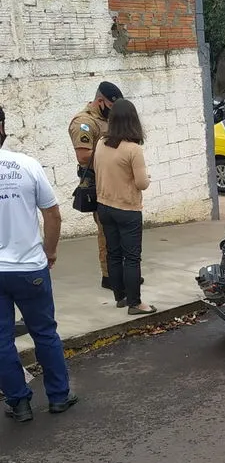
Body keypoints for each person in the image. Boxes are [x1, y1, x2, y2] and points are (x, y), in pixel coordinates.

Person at [0, 106, 78, 422]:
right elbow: (53, 214)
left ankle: (19, 403)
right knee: (44, 332)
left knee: (1, 340)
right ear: (2, 126)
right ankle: (59, 397)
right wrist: (50, 252)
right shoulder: (27, 165)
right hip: (29, 267)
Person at [68, 82, 143, 291]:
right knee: (106, 232)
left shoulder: (107, 118)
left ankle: (124, 274)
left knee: (121, 233)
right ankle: (109, 276)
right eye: (109, 105)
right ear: (100, 101)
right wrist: (112, 157)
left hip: (118, 181)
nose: (112, 110)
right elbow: (83, 156)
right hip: (99, 183)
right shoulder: (84, 123)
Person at [94, 99, 156, 316]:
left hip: (104, 206)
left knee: (113, 253)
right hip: (127, 209)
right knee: (131, 257)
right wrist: (147, 178)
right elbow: (141, 183)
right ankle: (135, 303)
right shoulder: (133, 149)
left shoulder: (101, 143)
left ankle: (119, 296)